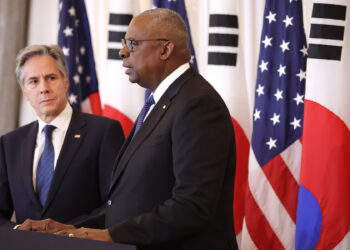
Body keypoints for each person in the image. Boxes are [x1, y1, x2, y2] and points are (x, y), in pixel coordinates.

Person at [18, 9, 238, 250]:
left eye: (132, 44)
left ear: (165, 49)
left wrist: (110, 237)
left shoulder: (197, 104)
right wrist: (73, 230)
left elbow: (192, 206)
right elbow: (131, 204)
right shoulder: (161, 104)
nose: (122, 52)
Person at [0, 45, 125, 227]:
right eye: (33, 81)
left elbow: (117, 204)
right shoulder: (10, 143)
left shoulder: (103, 132)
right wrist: (21, 231)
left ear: (66, 82)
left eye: (51, 78)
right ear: (24, 92)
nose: (44, 88)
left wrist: (68, 231)